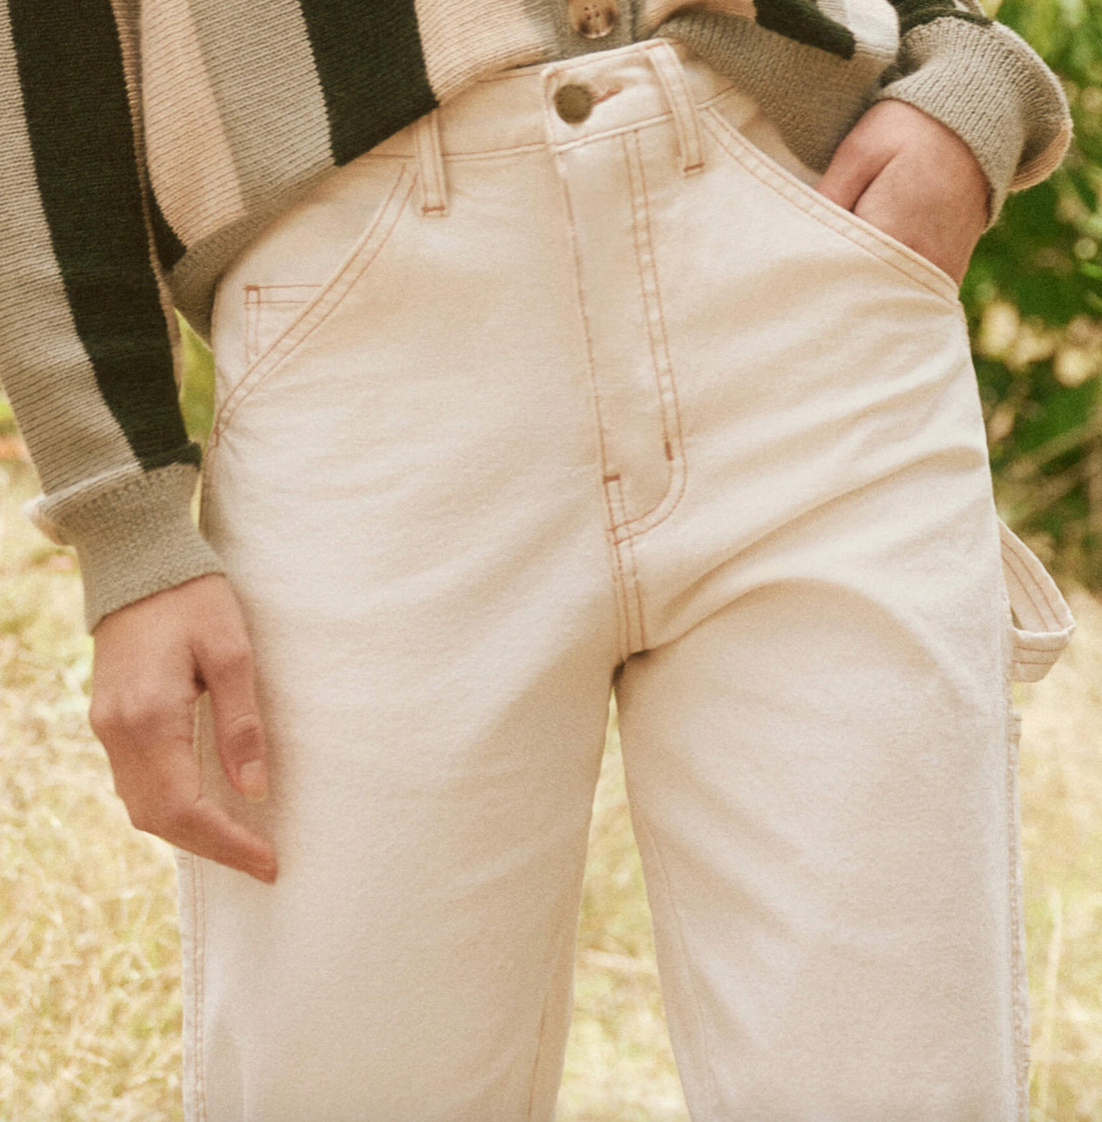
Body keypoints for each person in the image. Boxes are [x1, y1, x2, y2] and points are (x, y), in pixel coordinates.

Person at [0, 1, 1078, 1118]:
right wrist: (125, 516)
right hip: (370, 342)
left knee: (891, 1084)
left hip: (799, 264)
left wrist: (966, 65)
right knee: (355, 1083)